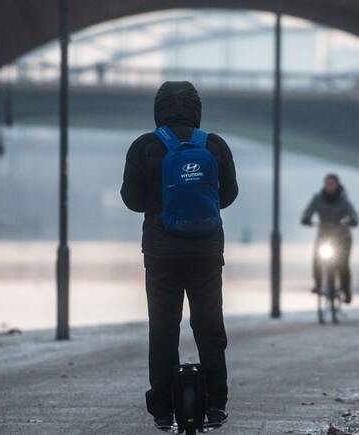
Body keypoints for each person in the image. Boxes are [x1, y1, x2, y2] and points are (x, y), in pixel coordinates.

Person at [120, 81, 238, 430]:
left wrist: (160, 204)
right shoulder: (214, 146)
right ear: (197, 109)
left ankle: (162, 409)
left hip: (161, 254)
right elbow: (228, 195)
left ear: (158, 108)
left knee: (163, 329)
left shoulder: (144, 147)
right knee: (209, 327)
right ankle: (216, 405)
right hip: (206, 252)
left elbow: (132, 200)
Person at [301, 174, 359, 303]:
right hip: (324, 236)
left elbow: (353, 213)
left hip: (342, 236)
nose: (330, 186)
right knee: (317, 259)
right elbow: (308, 212)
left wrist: (353, 220)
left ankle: (345, 289)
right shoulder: (317, 199)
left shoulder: (344, 200)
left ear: (337, 184)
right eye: (328, 183)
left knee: (343, 264)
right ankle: (318, 284)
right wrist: (306, 219)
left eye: (332, 183)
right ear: (324, 184)